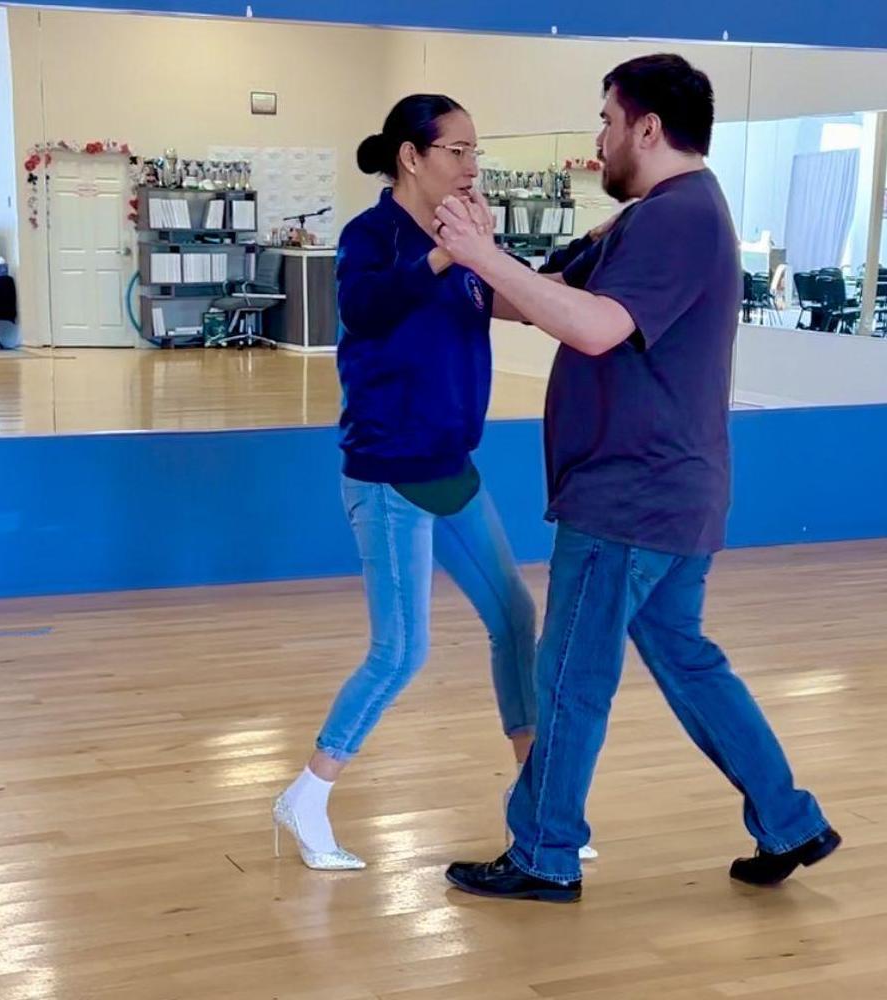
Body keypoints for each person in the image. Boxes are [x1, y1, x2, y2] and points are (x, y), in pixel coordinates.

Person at [435, 54, 838, 903]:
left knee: (571, 676)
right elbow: (542, 298)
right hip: (668, 489)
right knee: (687, 660)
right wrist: (479, 253)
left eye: (608, 122)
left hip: (633, 495)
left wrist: (482, 256)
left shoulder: (678, 219)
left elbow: (591, 330)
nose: (601, 139)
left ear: (647, 128)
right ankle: (789, 818)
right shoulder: (653, 219)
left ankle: (544, 852)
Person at [273, 94, 596, 871]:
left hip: (451, 468)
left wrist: (593, 243)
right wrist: (449, 255)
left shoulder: (466, 240)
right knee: (402, 651)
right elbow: (364, 305)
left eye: (475, 152)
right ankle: (308, 793)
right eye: (457, 150)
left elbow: (511, 300)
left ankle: (537, 799)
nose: (471, 166)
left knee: (516, 618)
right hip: (388, 472)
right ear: (412, 158)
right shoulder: (370, 237)